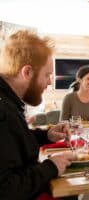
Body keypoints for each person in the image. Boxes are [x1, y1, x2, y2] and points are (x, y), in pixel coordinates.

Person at [0, 30, 75, 199]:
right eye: (47, 75)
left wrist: (46, 135)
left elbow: (13, 142)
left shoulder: (8, 102)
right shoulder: (3, 111)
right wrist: (51, 167)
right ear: (27, 72)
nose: (49, 82)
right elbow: (5, 190)